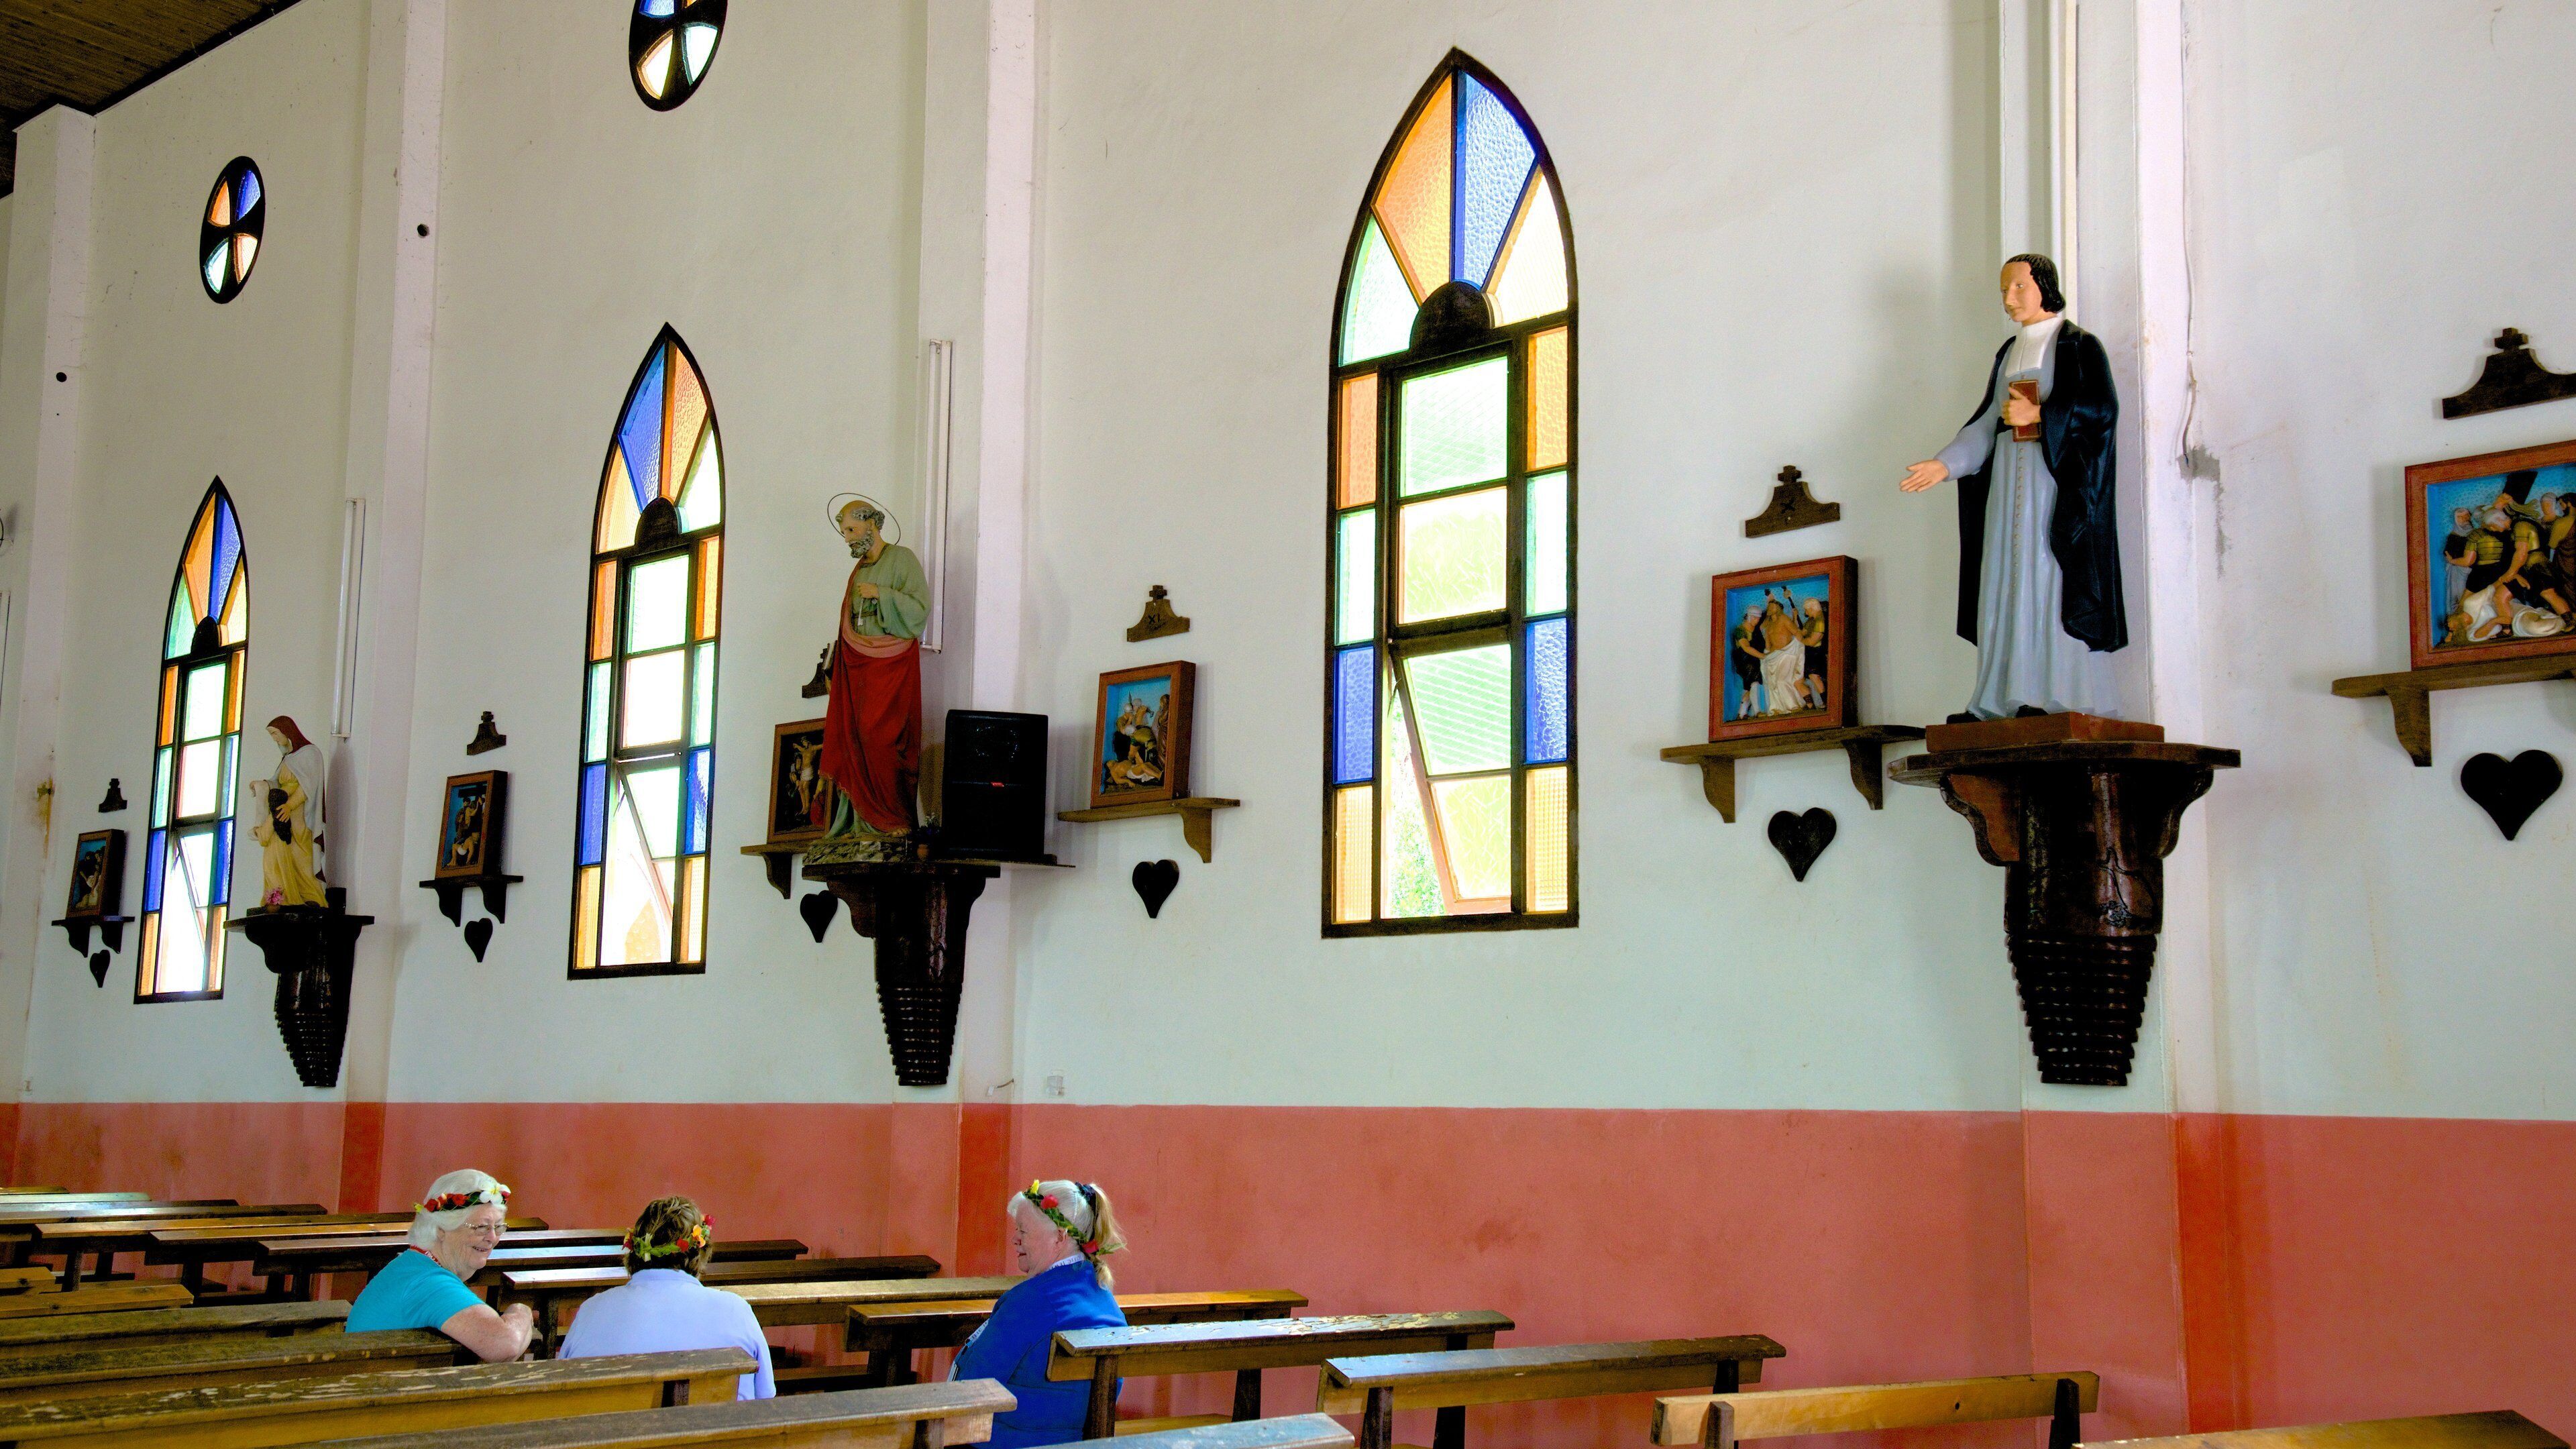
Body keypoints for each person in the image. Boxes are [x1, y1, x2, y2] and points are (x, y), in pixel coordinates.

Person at [1900, 253, 2127, 719]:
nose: (2009, 298)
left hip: (2054, 486)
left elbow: (2102, 410)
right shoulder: (2008, 352)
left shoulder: (2079, 346)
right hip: (2005, 488)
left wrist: (2043, 414)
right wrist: (1946, 465)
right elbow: (1987, 423)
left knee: (2047, 579)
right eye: (2004, 289)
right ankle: (1996, 701)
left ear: (2045, 286)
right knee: (2001, 580)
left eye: (2019, 287)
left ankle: (2050, 696)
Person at [951, 1181, 1128, 1449]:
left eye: (1023, 1230)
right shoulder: (1105, 1300)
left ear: (1059, 1236)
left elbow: (969, 1390)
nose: (1015, 1239)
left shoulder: (1029, 1302)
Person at [558, 1197, 774, 1400]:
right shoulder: (736, 1311)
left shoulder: (592, 1311)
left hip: (612, 1438)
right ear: (698, 1255)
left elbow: (562, 1389)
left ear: (634, 1251)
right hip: (717, 1438)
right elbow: (765, 1396)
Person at [814, 498, 930, 840]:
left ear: (872, 524)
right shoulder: (859, 569)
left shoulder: (902, 559)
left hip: (890, 665)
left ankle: (892, 818)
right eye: (844, 532)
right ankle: (860, 823)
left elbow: (919, 609)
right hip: (858, 665)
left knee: (884, 739)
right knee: (856, 738)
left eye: (851, 529)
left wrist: (882, 593)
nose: (848, 538)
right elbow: (846, 620)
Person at [346, 1170, 534, 1360]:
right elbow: (506, 1345)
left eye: (499, 1227)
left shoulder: (415, 1265)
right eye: (481, 1227)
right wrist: (521, 1310)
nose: (492, 1238)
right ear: (441, 1230)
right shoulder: (429, 1284)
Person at [248, 716, 327, 909]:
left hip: (299, 815)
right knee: (273, 855)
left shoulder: (310, 753)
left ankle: (308, 895)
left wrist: (290, 806)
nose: (274, 739)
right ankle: (280, 896)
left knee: (300, 856)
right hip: (280, 812)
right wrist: (261, 785)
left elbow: (309, 785)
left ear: (287, 731)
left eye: (275, 734)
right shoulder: (288, 758)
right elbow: (277, 783)